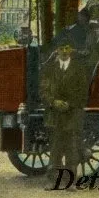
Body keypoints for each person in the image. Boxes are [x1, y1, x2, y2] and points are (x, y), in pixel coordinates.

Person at [41, 44, 88, 188]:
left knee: (72, 148)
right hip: (55, 113)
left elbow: (83, 92)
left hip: (72, 113)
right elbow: (43, 90)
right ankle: (52, 181)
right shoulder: (49, 69)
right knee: (55, 147)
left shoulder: (79, 69)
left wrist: (70, 104)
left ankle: (71, 182)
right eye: (61, 49)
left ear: (72, 50)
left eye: (67, 48)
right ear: (57, 50)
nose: (65, 52)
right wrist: (53, 102)